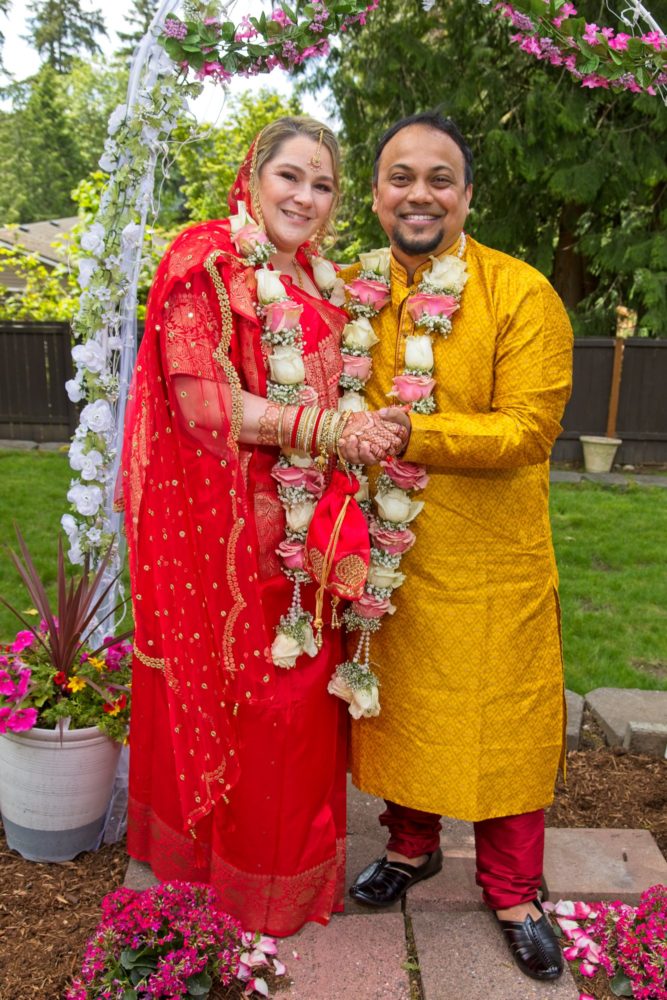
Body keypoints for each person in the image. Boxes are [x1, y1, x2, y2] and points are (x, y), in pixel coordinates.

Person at [118, 116, 407, 937]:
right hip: (234, 533)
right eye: (290, 176)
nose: (305, 198)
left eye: (322, 184)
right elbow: (202, 404)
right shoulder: (208, 262)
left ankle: (289, 875)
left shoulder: (323, 281)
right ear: (253, 175)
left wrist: (360, 435)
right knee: (261, 704)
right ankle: (246, 884)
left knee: (305, 712)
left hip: (319, 530)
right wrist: (328, 433)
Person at [343, 111, 573, 981]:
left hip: (489, 555)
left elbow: (528, 429)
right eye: (400, 176)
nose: (419, 193)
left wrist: (410, 433)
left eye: (439, 178)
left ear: (467, 195)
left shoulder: (519, 292)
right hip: (385, 547)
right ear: (374, 195)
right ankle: (410, 848)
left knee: (499, 719)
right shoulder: (350, 289)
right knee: (398, 703)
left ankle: (514, 890)